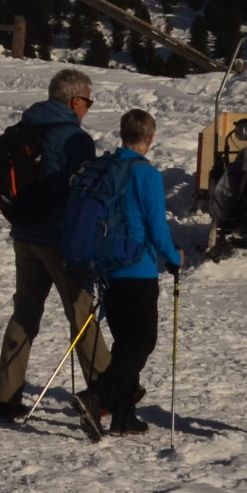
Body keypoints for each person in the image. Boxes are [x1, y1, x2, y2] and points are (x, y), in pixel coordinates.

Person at [0, 68, 111, 422]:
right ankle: (109, 392)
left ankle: (7, 398)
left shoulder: (26, 126)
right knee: (81, 314)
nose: (88, 108)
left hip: (24, 235)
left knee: (25, 313)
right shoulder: (73, 138)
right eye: (88, 101)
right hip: (58, 240)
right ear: (74, 101)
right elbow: (82, 193)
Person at [68, 110, 181, 439]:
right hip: (137, 269)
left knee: (125, 344)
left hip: (108, 268)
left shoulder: (107, 167)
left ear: (122, 133)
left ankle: (123, 416)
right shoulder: (146, 174)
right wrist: (175, 257)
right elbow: (157, 227)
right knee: (142, 342)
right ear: (151, 138)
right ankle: (96, 396)